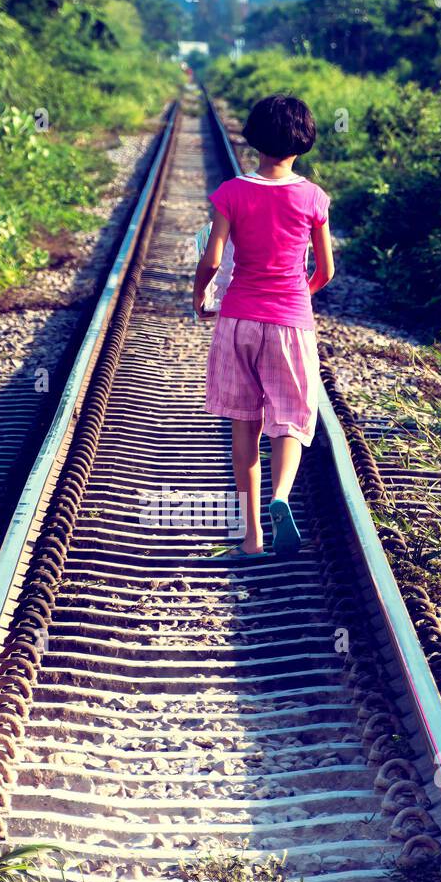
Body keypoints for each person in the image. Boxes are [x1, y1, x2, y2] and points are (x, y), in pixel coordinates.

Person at [193, 94, 334, 558]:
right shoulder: (313, 197)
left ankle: (251, 537)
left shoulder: (231, 192)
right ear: (303, 142)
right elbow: (325, 272)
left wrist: (200, 297)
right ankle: (280, 497)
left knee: (244, 424)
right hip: (290, 323)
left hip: (238, 321)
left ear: (254, 137)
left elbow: (213, 260)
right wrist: (299, 298)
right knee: (291, 419)